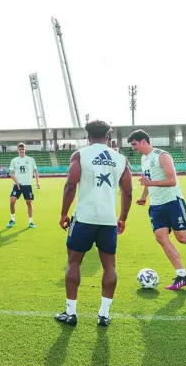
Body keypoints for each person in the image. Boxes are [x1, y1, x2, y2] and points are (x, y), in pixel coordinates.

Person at [55, 120, 132, 327]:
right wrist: (122, 218)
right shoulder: (121, 159)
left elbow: (71, 185)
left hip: (84, 218)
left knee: (74, 262)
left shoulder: (80, 155)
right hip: (108, 220)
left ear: (88, 137)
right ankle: (104, 314)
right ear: (108, 137)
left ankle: (71, 313)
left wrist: (64, 213)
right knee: (109, 265)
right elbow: (128, 191)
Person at [128, 129, 186, 289]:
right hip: (156, 205)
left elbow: (172, 181)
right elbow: (148, 180)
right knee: (160, 237)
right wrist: (144, 196)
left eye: (134, 144)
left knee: (182, 238)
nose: (133, 148)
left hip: (172, 202)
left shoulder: (162, 156)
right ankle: (182, 275)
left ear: (143, 141)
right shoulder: (144, 158)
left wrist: (149, 184)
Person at [7, 143, 40, 229]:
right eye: (20, 149)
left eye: (23, 149)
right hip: (17, 185)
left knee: (28, 203)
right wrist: (17, 183)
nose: (21, 151)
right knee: (12, 201)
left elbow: (35, 171)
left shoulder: (31, 160)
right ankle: (12, 219)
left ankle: (31, 222)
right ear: (18, 150)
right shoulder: (14, 160)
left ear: (25, 150)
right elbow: (11, 173)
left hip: (27, 185)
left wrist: (37, 182)